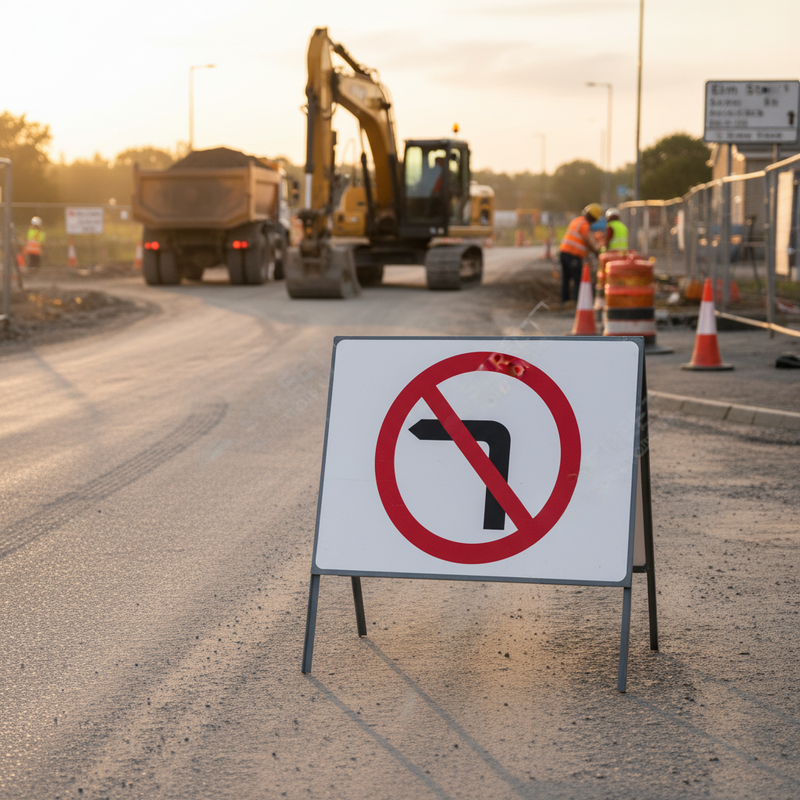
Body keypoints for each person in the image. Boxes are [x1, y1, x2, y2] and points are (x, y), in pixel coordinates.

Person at [559, 203, 601, 302]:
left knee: (566, 279)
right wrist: (596, 252)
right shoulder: (584, 225)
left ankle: (564, 301)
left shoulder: (577, 220)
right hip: (572, 254)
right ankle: (576, 301)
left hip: (564, 252)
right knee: (577, 279)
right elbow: (588, 240)